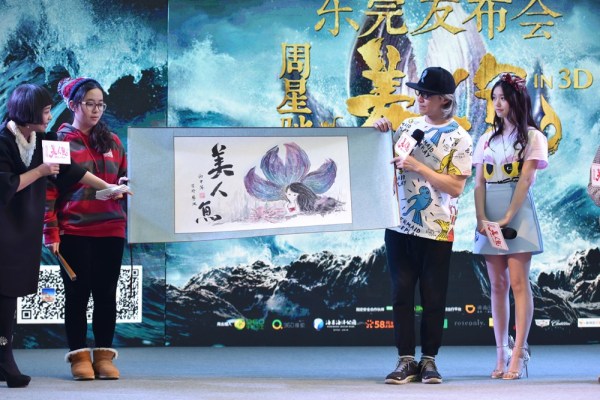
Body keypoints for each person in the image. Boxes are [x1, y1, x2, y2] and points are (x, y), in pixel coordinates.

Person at [0, 84, 114, 388]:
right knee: (4, 293)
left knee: (10, 293)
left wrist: (109, 187)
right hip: (4, 227)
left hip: (24, 228)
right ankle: (6, 358)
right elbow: (6, 185)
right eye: (46, 111)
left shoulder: (47, 139)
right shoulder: (2, 141)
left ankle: (3, 355)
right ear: (28, 112)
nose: (51, 116)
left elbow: (72, 171)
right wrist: (40, 171)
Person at [373, 67, 473, 384]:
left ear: (444, 100)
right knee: (401, 292)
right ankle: (405, 360)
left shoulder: (460, 137)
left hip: (438, 229)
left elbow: (456, 187)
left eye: (426, 94)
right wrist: (382, 132)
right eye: (418, 92)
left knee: (433, 297)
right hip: (398, 224)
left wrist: (418, 166)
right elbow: (388, 163)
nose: (420, 98)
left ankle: (429, 360)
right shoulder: (408, 126)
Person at [44, 77, 128, 381]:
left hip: (112, 229)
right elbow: (48, 190)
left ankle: (104, 356)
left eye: (100, 104)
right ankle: (78, 357)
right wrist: (50, 231)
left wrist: (124, 185)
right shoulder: (57, 142)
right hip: (74, 231)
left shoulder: (113, 141)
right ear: (72, 105)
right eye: (89, 104)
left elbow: (125, 176)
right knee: (77, 296)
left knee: (106, 294)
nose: (96, 110)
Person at [473, 73, 548, 380]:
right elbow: (478, 183)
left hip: (517, 211)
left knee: (518, 282)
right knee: (497, 285)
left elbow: (526, 179)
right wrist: (481, 217)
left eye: (503, 97)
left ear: (517, 99)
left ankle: (519, 351)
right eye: (494, 98)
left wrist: (506, 217)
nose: (498, 104)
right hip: (489, 210)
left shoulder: (533, 137)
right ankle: (500, 353)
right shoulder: (485, 139)